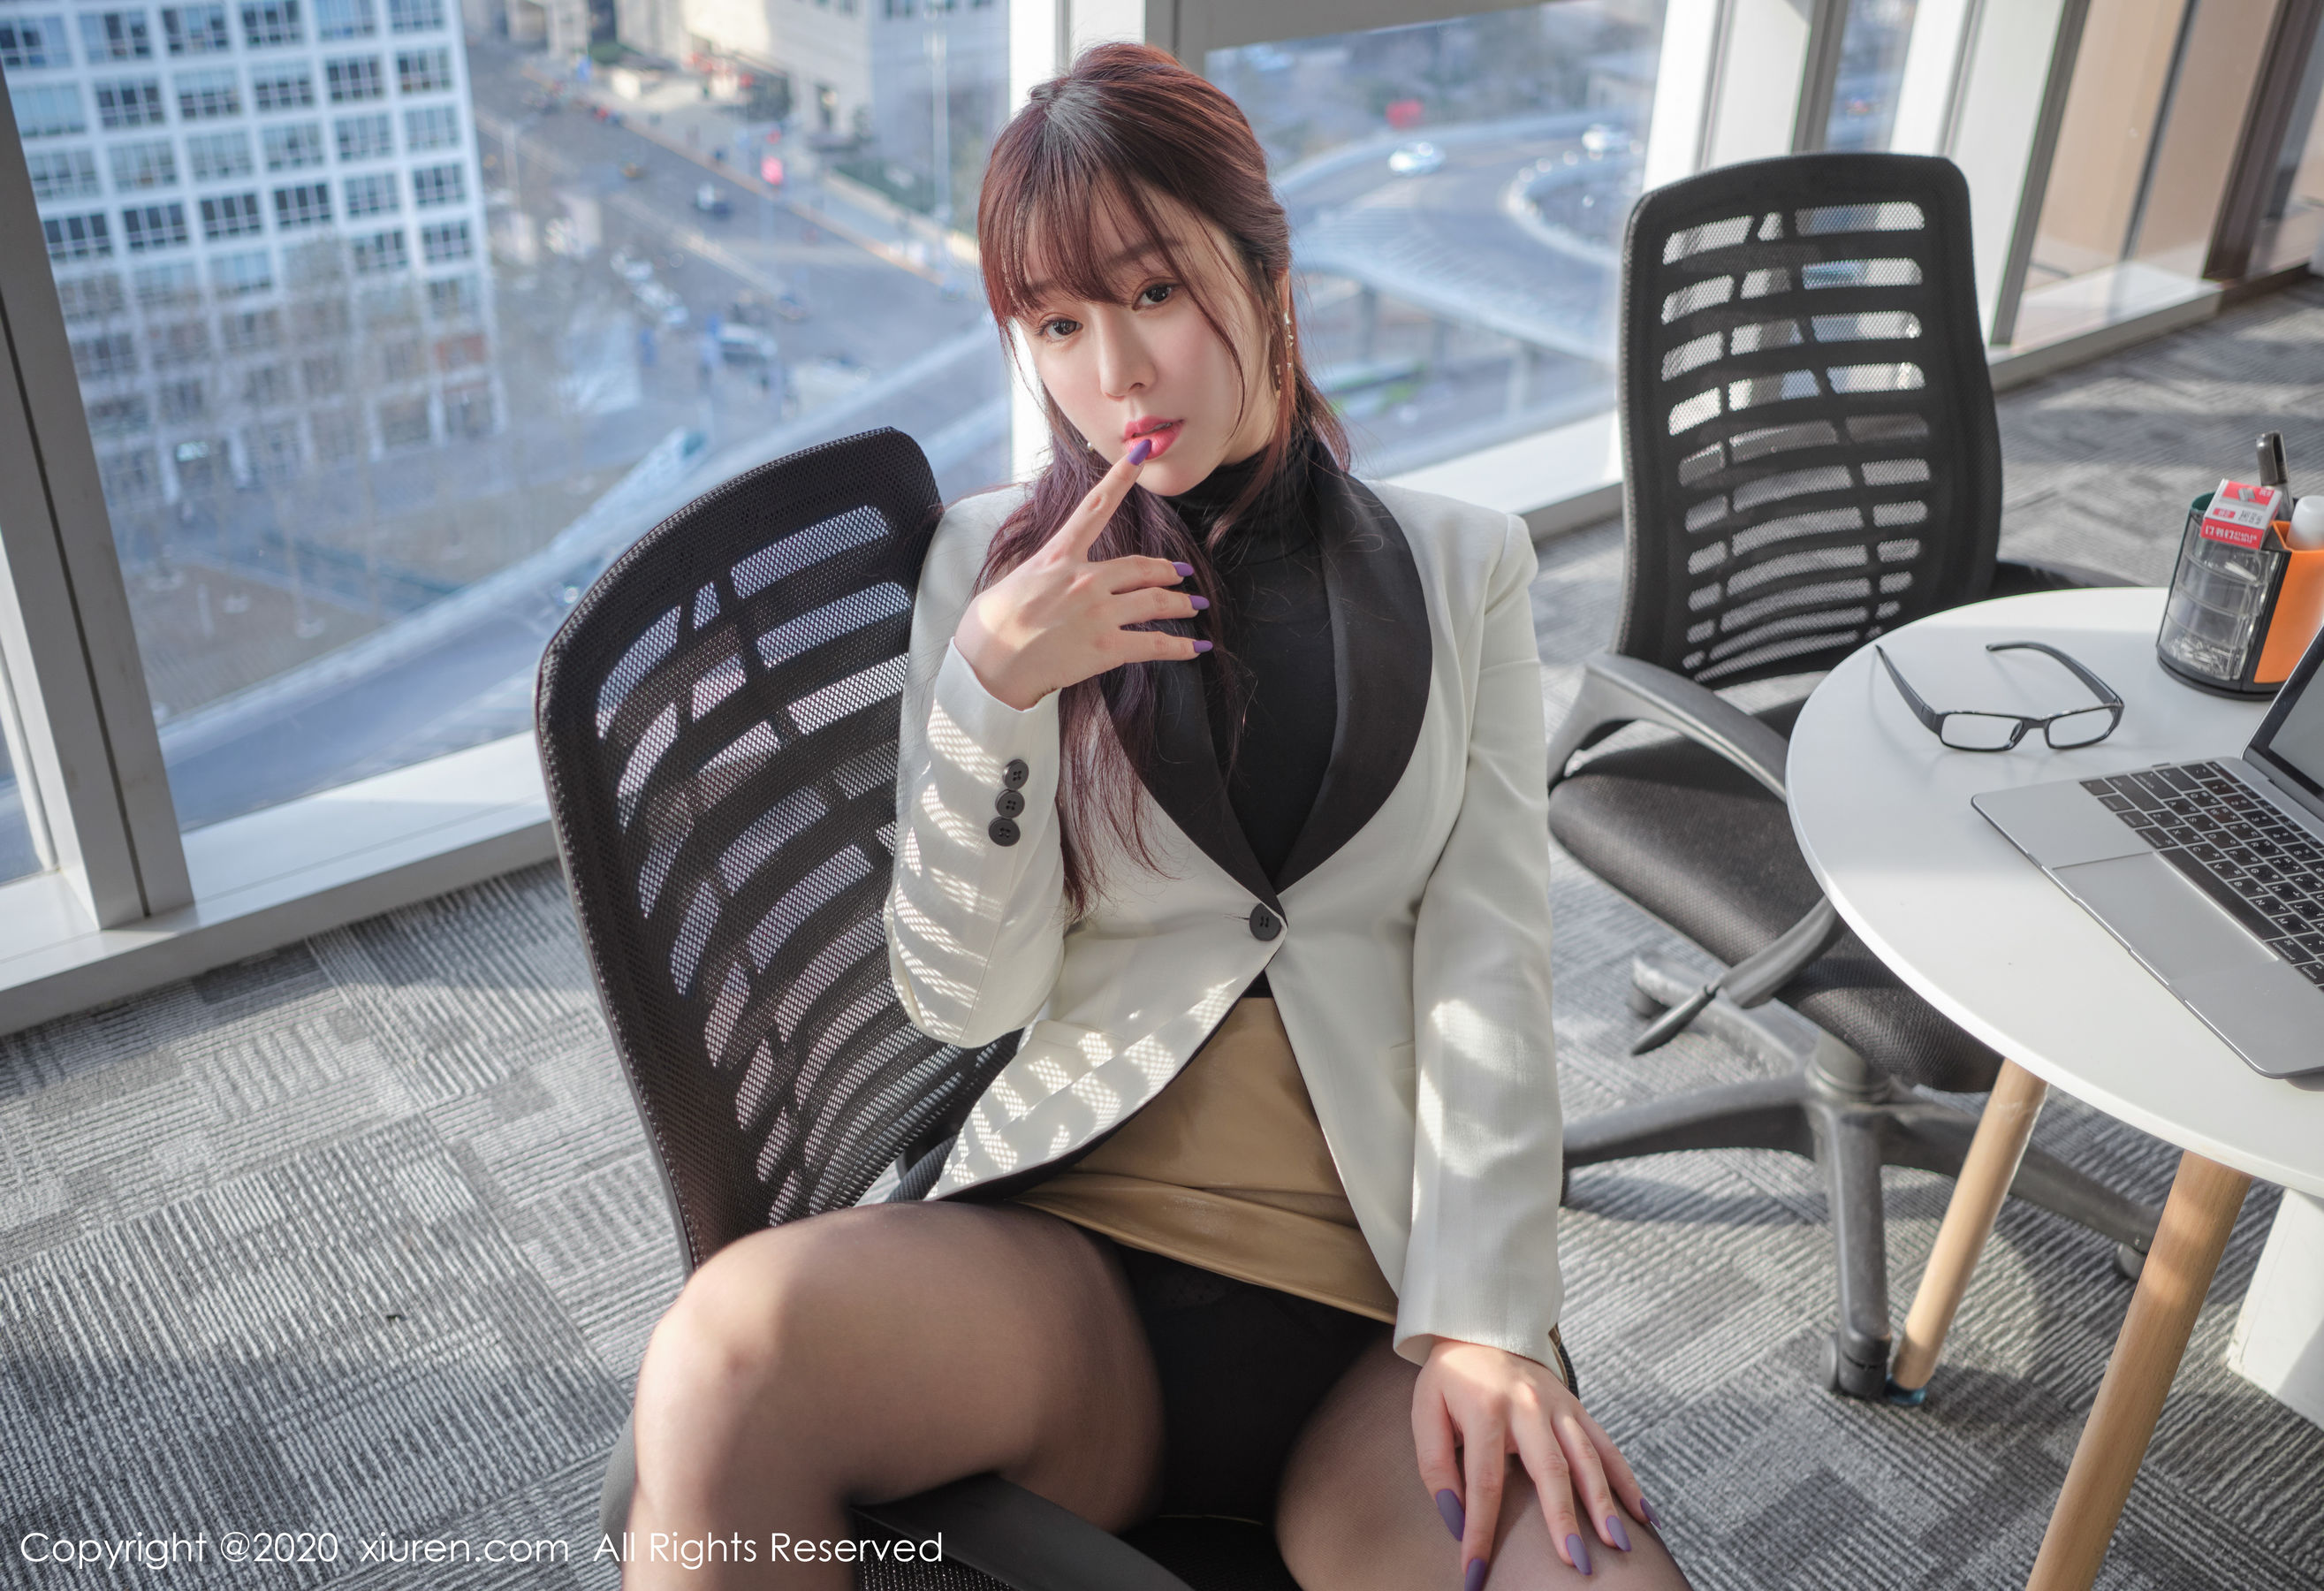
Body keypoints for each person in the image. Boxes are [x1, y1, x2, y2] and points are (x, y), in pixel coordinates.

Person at [623, 43, 1692, 1591]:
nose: (1114, 370)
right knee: (728, 1351)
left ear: (1264, 278)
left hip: (1375, 1314)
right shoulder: (990, 570)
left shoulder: (1469, 567)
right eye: (1058, 324)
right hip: (1072, 1273)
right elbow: (962, 1001)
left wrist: (1487, 1319)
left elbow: (1489, 966)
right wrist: (991, 699)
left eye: (1152, 293)